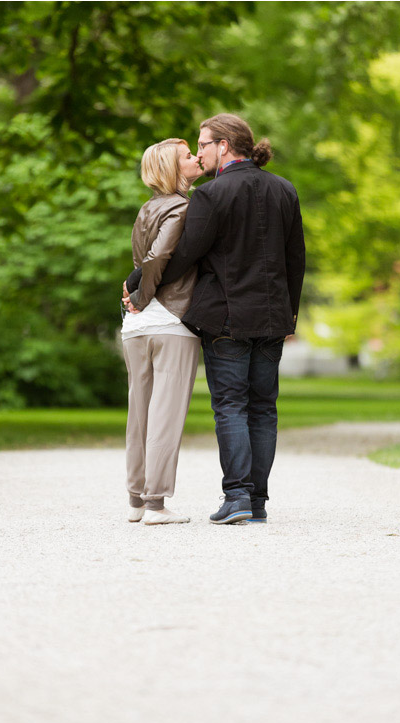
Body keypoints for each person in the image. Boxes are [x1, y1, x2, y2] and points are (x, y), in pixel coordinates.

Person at [124, 113, 306, 525]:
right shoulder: (284, 189)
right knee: (264, 408)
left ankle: (237, 496)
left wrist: (137, 284)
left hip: (226, 318)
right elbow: (297, 261)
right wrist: (289, 313)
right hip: (274, 317)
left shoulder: (211, 195)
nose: (200, 151)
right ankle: (257, 502)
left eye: (203, 144)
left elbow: (184, 253)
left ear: (224, 145)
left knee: (230, 406)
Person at [121, 138, 204, 525]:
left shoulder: (146, 207)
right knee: (165, 415)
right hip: (169, 319)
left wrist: (137, 298)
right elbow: (158, 256)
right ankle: (156, 504)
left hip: (136, 328)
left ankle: (137, 500)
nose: (196, 158)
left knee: (139, 415)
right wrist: (143, 294)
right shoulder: (183, 206)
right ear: (173, 168)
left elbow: (142, 258)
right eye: (188, 156)